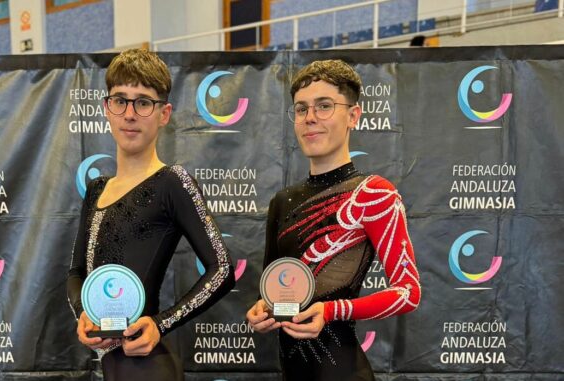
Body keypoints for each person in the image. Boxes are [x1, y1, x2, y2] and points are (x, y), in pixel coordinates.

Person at [246, 60, 421, 380]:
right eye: (301, 109)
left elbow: (408, 292)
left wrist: (331, 310)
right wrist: (262, 310)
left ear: (353, 116)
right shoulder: (281, 202)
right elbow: (272, 290)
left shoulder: (373, 194)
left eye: (324, 106)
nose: (310, 117)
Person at [67, 49, 235, 380]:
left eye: (143, 102)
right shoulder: (96, 189)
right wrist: (83, 312)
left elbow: (223, 270)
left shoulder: (172, 182)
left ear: (164, 114)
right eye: (121, 100)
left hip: (150, 367)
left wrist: (160, 324)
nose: (130, 113)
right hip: (111, 367)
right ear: (107, 108)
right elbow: (76, 272)